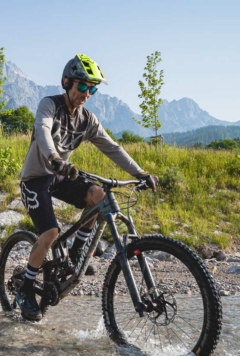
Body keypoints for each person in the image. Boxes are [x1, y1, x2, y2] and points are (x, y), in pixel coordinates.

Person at [17, 54, 158, 322]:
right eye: (82, 86)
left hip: (59, 176)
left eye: (92, 89)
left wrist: (140, 173)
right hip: (36, 178)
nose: (87, 93)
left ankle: (77, 251)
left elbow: (112, 147)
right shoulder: (50, 105)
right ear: (66, 82)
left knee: (98, 196)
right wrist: (55, 160)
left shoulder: (87, 120)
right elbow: (43, 132)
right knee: (49, 233)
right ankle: (25, 289)